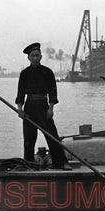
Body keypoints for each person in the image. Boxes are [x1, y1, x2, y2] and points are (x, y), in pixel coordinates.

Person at [16, 42, 71, 170]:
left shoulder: (47, 72)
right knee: (29, 139)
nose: (35, 58)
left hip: (43, 106)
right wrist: (20, 110)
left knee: (52, 135)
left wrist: (51, 108)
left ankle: (61, 163)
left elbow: (52, 91)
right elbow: (20, 94)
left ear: (41, 56)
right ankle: (28, 164)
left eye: (37, 55)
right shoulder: (24, 74)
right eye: (32, 56)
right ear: (28, 58)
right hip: (29, 107)